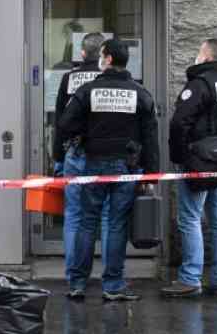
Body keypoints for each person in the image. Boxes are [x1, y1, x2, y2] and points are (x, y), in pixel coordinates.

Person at [58, 38, 159, 301]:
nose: (100, 59)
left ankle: (78, 283)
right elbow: (150, 137)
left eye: (103, 55)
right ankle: (113, 285)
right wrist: (152, 173)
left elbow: (65, 125)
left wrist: (87, 133)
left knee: (86, 221)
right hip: (126, 165)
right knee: (116, 225)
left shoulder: (88, 91)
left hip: (94, 163)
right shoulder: (140, 93)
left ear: (109, 59)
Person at [161, 39, 217, 298]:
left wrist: (179, 157)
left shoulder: (198, 85)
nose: (196, 56)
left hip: (198, 161)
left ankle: (190, 278)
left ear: (206, 57)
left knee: (190, 217)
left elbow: (179, 123)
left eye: (199, 51)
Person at [51, 32, 109, 296]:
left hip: (75, 152)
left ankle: (73, 275)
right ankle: (110, 276)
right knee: (107, 217)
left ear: (82, 53)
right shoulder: (110, 79)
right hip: (105, 155)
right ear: (106, 56)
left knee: (74, 214)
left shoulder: (69, 78)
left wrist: (58, 158)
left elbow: (59, 122)